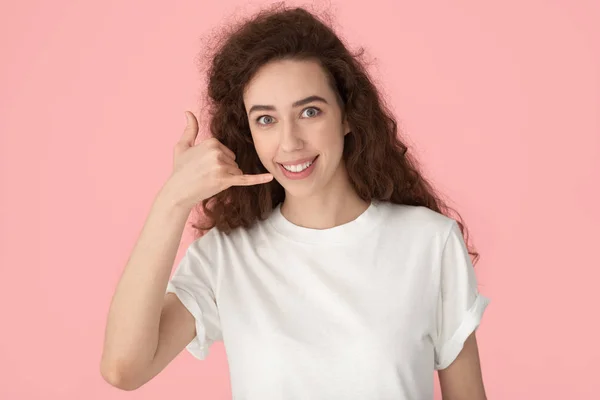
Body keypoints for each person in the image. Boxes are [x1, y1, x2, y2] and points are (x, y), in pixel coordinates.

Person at [100, 4, 490, 399]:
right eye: (266, 119)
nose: (289, 143)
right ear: (248, 132)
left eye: (309, 111)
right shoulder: (226, 257)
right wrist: (173, 200)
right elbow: (123, 368)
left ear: (347, 115)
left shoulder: (428, 242)